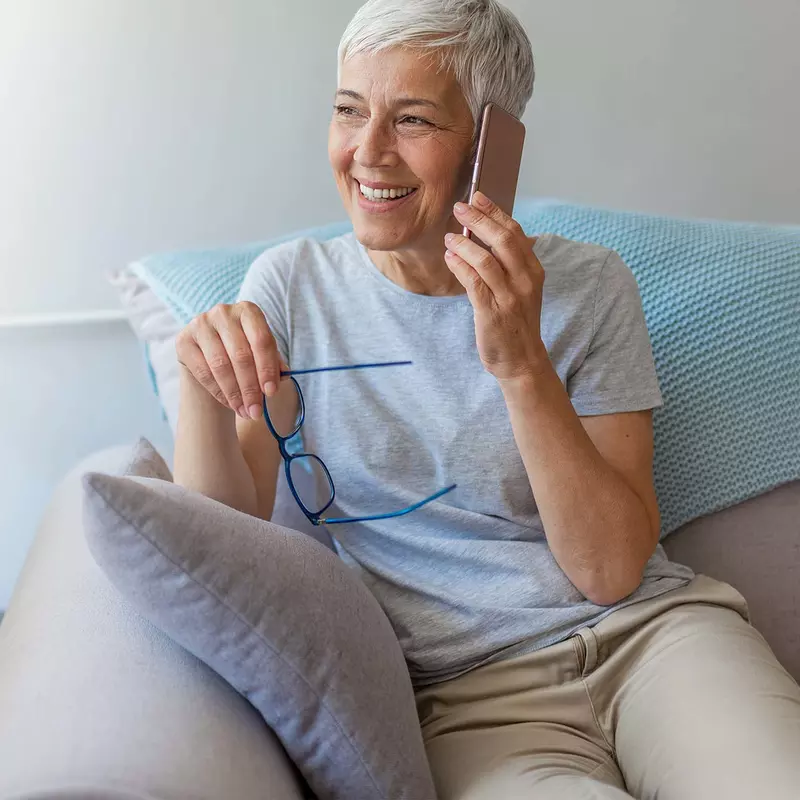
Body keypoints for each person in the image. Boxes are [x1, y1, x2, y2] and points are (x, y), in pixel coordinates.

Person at [173, 1, 800, 797]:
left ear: (489, 145)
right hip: (471, 697)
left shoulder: (589, 286)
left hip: (657, 642)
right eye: (348, 111)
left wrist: (520, 363)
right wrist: (200, 387)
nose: (368, 152)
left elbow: (611, 570)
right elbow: (220, 535)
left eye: (413, 120)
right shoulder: (293, 290)